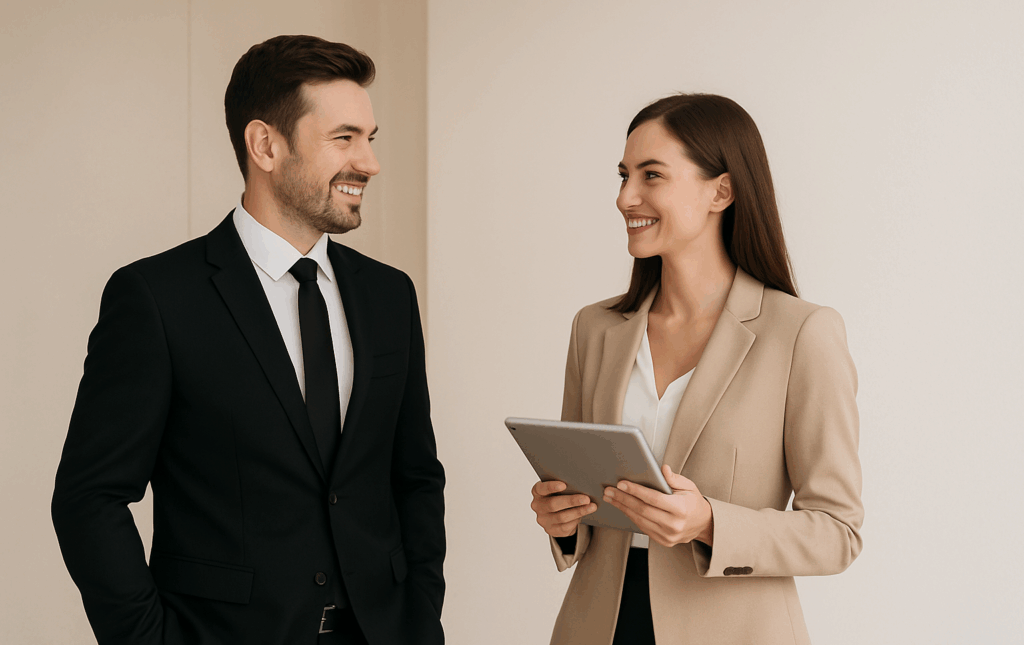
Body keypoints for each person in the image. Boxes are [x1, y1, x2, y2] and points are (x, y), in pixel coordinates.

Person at [51, 35, 444, 645]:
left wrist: (420, 623)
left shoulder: (389, 296)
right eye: (344, 138)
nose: (369, 162)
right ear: (265, 144)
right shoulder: (157, 299)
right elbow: (89, 497)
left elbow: (415, 478)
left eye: (370, 138)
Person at [529, 94, 863, 645]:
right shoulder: (596, 329)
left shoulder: (802, 333)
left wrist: (709, 522)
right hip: (598, 626)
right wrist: (562, 518)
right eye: (622, 175)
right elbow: (580, 506)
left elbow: (837, 531)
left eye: (651, 175)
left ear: (721, 191)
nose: (624, 198)